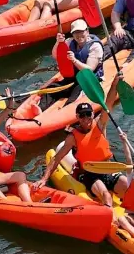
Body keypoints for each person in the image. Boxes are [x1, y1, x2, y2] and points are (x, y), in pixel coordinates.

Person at [33, 75, 127, 208]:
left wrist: (115, 84)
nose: (85, 118)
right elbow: (57, 158)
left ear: (92, 114)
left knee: (125, 183)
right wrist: (44, 179)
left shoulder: (100, 125)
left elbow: (108, 103)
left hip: (108, 169)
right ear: (77, 117)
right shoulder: (73, 137)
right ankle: (112, 220)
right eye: (82, 115)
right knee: (105, 194)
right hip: (90, 175)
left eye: (88, 114)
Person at [41, 19, 105, 108]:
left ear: (87, 31)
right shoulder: (70, 42)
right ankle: (40, 110)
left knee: (76, 92)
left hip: (89, 80)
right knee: (50, 89)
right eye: (75, 33)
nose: (79, 35)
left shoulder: (95, 46)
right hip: (72, 78)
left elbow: (89, 69)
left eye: (81, 32)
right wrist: (58, 42)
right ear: (72, 34)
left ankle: (66, 110)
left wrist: (74, 60)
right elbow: (56, 56)